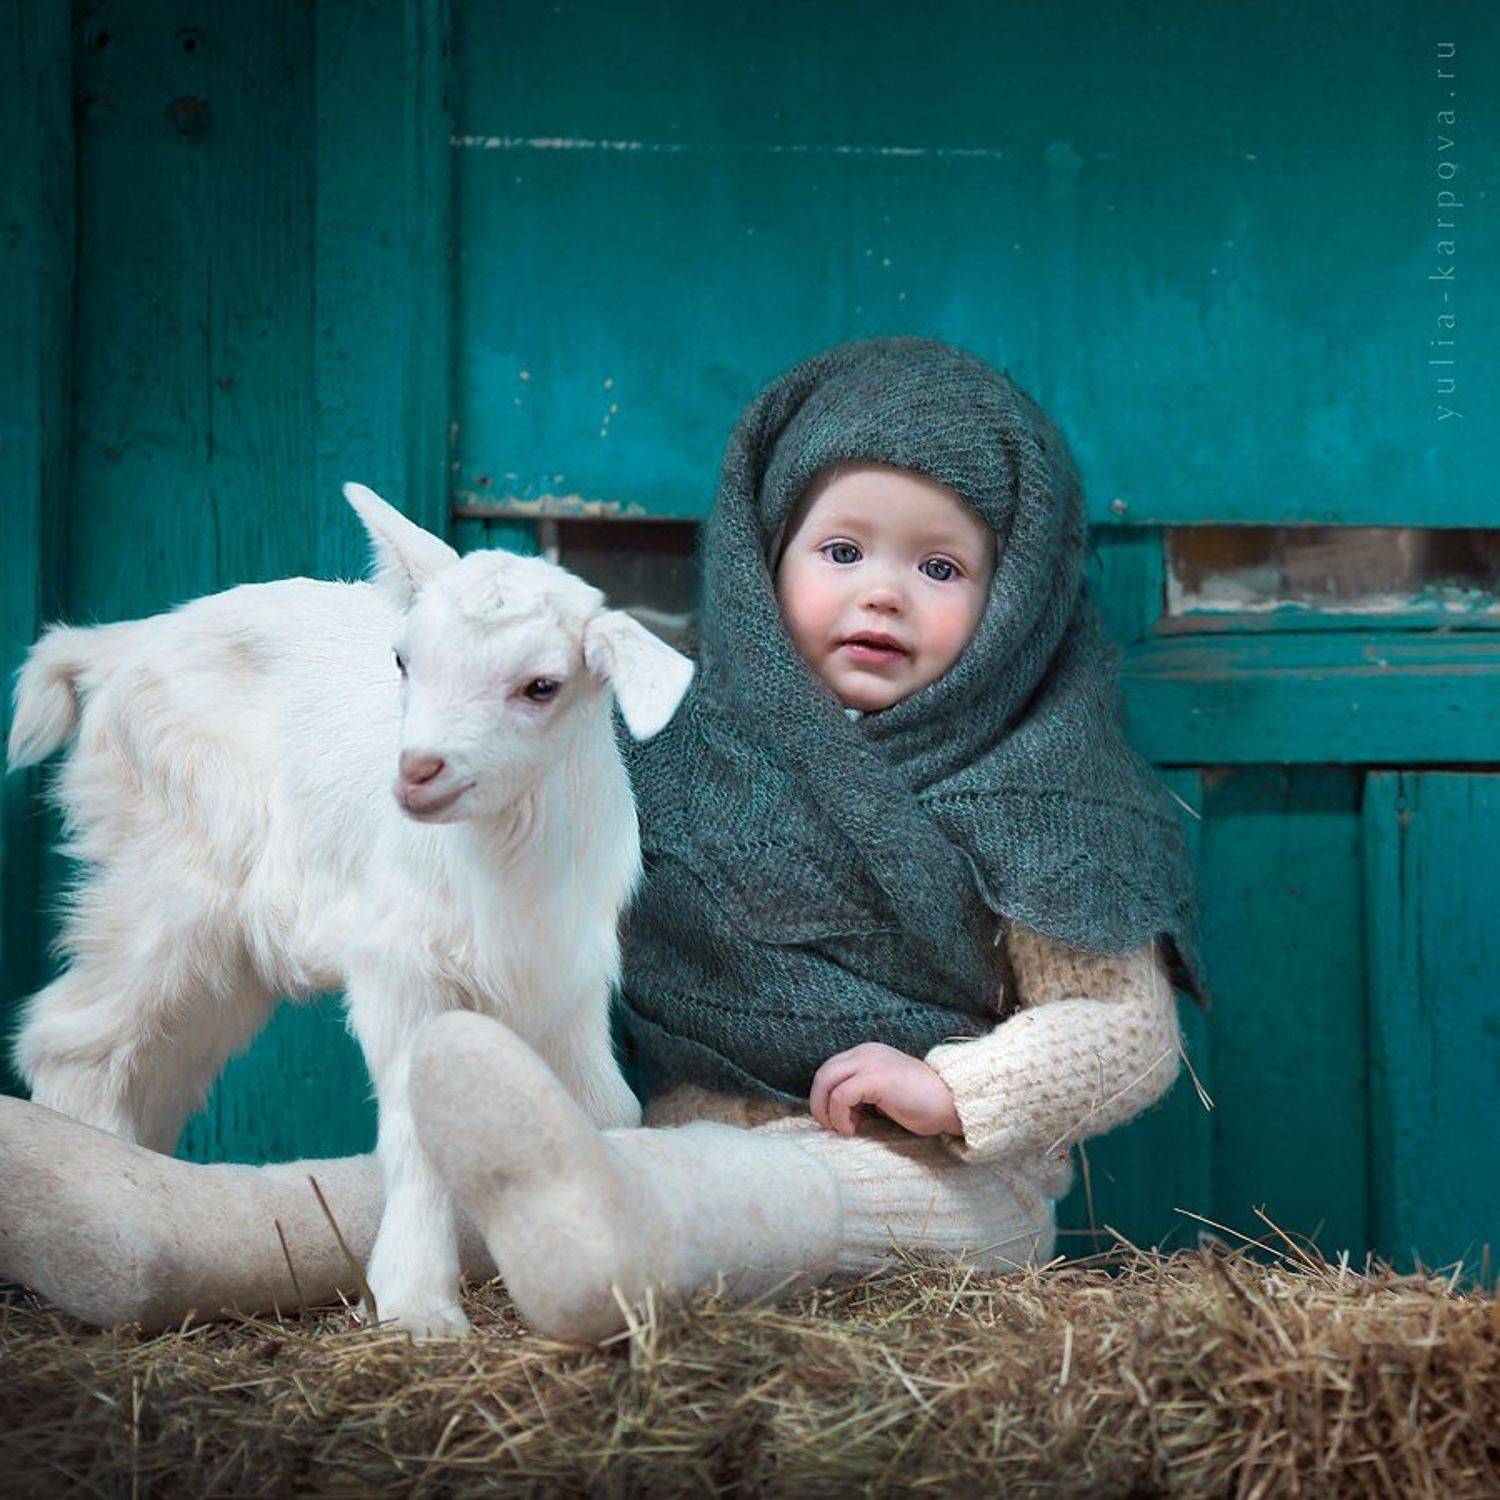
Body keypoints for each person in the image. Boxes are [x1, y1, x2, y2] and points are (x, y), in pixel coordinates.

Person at [0, 337, 1206, 1343]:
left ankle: (606, 1251)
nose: (882, 593)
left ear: (1018, 599)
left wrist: (951, 1089)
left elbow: (1124, 1029)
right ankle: (184, 1231)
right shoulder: (664, 745)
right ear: (760, 561)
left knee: (717, 1193)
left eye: (940, 566)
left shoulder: (1049, 795)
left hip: (929, 1181)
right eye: (841, 552)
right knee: (484, 1180)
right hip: (642, 1138)